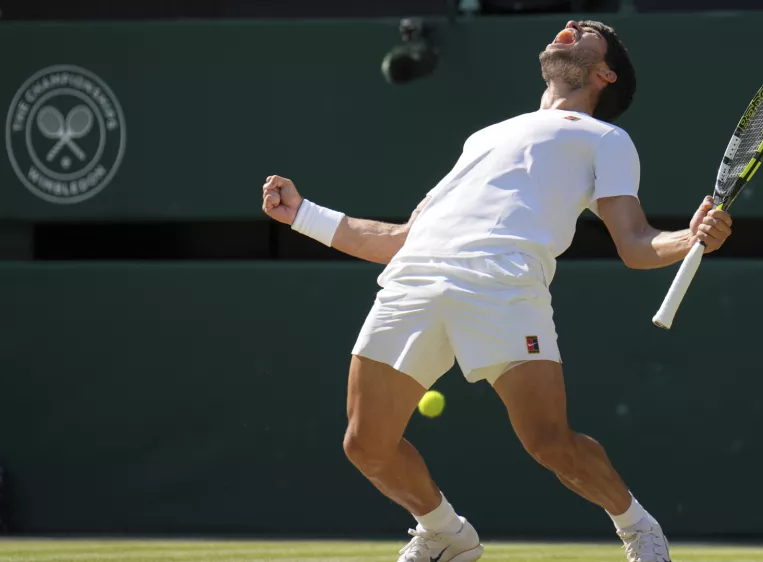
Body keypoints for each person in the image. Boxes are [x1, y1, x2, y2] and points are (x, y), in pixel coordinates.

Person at [261, 19, 733, 562]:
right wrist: (303, 216)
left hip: (504, 284)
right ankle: (444, 532)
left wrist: (689, 238)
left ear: (604, 72)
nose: (570, 26)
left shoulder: (607, 139)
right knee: (365, 444)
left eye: (588, 31)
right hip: (415, 278)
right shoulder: (486, 136)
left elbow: (634, 242)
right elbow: (406, 237)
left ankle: (637, 528)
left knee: (550, 443)